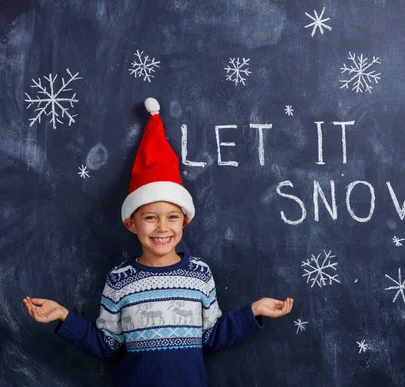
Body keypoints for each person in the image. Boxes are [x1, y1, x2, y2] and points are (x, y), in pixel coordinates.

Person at [23, 98, 294, 387]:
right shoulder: (120, 280)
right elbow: (105, 344)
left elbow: (212, 336)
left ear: (184, 221)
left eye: (172, 217)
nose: (162, 227)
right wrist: (63, 316)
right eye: (150, 217)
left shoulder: (199, 275)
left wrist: (254, 311)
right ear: (131, 223)